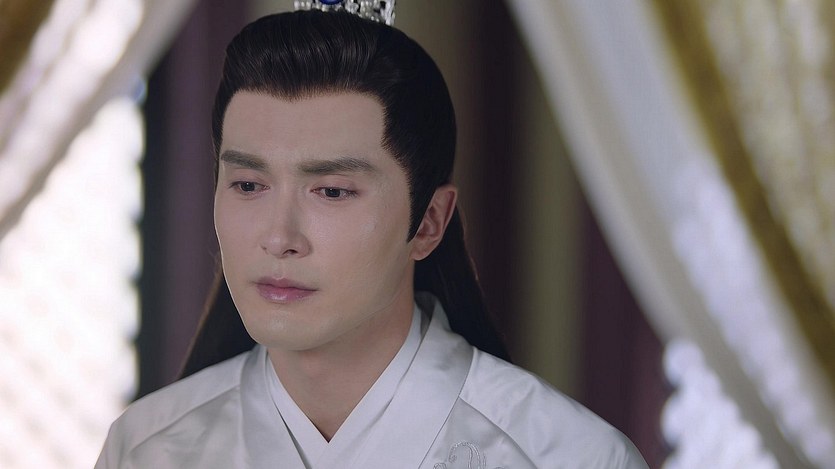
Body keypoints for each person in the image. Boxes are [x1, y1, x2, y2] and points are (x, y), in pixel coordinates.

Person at [96, 9, 648, 468]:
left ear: (428, 222)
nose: (279, 237)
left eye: (332, 192)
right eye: (247, 184)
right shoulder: (147, 450)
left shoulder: (568, 456)